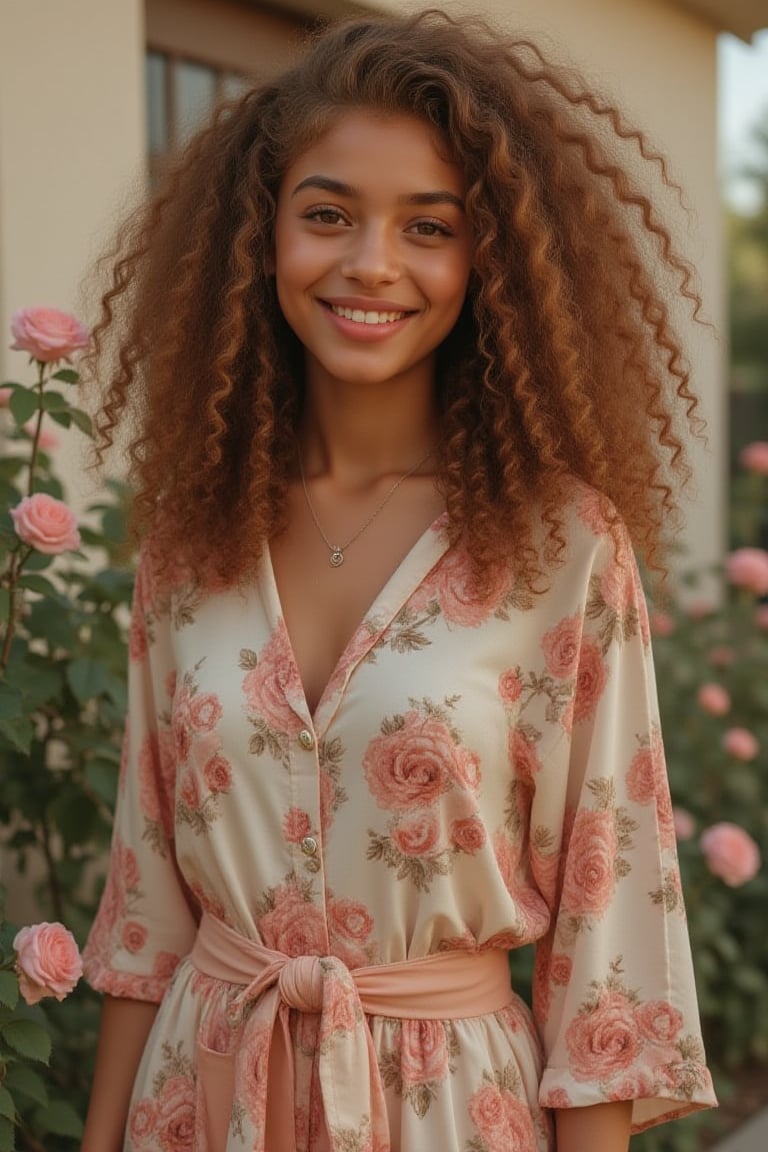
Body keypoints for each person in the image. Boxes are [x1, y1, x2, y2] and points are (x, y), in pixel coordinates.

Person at [80, 9, 718, 1151]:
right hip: (200, 1099)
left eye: (430, 226)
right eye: (327, 214)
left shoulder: (559, 545)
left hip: (450, 1115)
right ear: (258, 236)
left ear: (491, 261)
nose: (371, 262)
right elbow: (144, 913)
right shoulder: (185, 547)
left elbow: (605, 935)